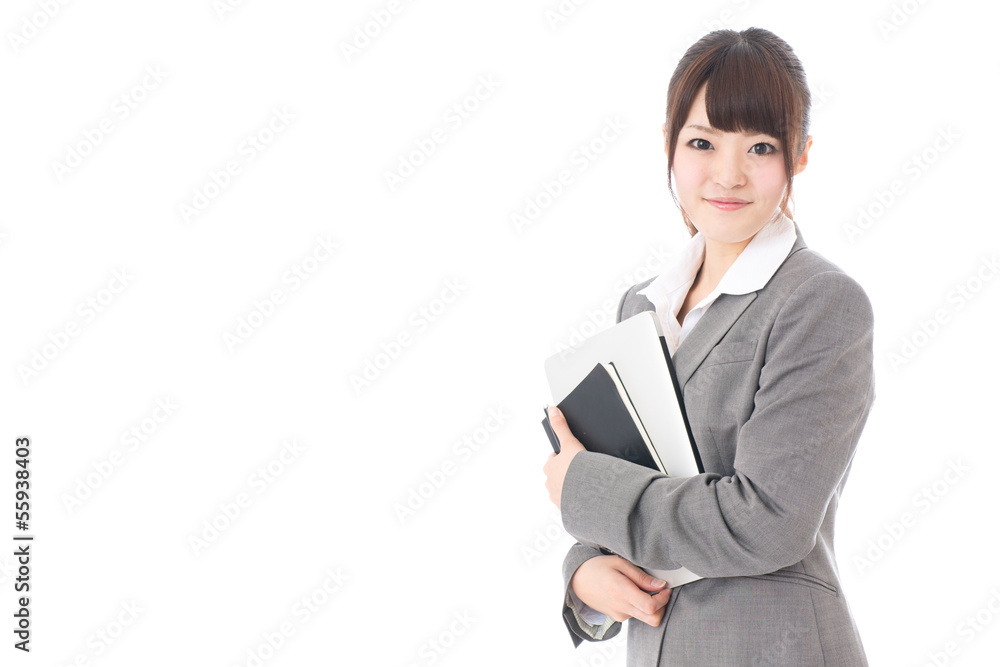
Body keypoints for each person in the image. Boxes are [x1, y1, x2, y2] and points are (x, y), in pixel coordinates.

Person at [542, 27, 874, 665]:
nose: (728, 174)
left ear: (800, 155)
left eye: (759, 146)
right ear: (669, 144)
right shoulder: (644, 304)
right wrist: (586, 574)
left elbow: (769, 519)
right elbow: (641, 483)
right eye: (702, 142)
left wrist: (584, 488)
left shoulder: (819, 302)